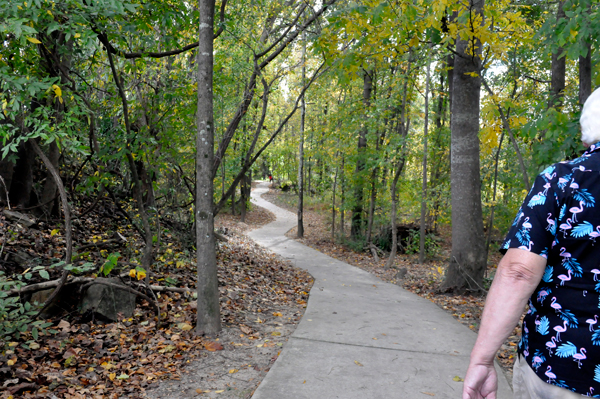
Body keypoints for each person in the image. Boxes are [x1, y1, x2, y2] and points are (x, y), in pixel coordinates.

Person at [463, 88, 600, 399]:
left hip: (561, 368)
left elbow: (519, 271)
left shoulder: (563, 181)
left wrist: (482, 360)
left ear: (586, 136)